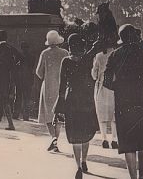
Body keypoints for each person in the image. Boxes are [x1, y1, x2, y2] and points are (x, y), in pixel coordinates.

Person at [103, 24, 143, 179]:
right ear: (134, 36)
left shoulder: (114, 55)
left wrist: (120, 88)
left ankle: (133, 177)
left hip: (123, 104)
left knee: (128, 144)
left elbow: (106, 81)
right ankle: (142, 175)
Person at [55, 34, 102, 179]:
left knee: (75, 134)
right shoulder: (87, 59)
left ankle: (78, 167)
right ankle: (84, 160)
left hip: (71, 100)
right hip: (87, 100)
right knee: (86, 133)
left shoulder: (66, 62)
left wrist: (59, 107)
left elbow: (62, 86)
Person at [37, 30, 68, 151]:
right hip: (62, 87)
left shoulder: (44, 53)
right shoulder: (65, 52)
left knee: (47, 115)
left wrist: (46, 76)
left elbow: (39, 72)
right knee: (59, 115)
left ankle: (53, 138)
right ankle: (55, 139)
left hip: (48, 86)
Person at [91, 30, 118, 149]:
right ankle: (114, 139)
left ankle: (104, 138)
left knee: (101, 114)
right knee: (114, 115)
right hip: (114, 87)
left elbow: (94, 75)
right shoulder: (117, 54)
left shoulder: (99, 56)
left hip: (101, 87)